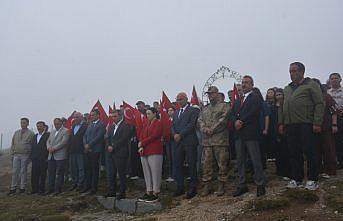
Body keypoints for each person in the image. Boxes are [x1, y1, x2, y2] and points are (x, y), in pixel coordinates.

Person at [278, 62, 324, 190]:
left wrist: (317, 122)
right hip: (290, 125)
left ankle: (312, 179)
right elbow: (282, 107)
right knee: (293, 152)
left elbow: (320, 104)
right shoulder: (287, 88)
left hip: (306, 124)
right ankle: (296, 178)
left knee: (310, 152)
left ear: (302, 72)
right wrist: (281, 122)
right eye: (290, 71)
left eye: (294, 71)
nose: (292, 74)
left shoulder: (311, 85)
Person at [231, 76, 266, 197]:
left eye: (246, 83)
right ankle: (242, 185)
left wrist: (242, 121)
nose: (244, 85)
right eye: (242, 83)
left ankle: (260, 184)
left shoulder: (255, 98)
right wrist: (235, 121)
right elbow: (232, 114)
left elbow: (254, 112)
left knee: (255, 159)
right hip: (239, 134)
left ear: (252, 84)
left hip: (250, 133)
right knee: (240, 160)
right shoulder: (237, 101)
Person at [198, 86, 230, 197]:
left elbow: (224, 120)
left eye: (212, 93)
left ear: (217, 93)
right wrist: (205, 129)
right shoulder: (205, 109)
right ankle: (207, 185)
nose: (210, 95)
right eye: (209, 94)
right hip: (207, 141)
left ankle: (221, 185)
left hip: (219, 140)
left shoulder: (224, 106)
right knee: (206, 164)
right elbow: (200, 121)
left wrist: (213, 129)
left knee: (222, 163)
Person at [172, 93, 199, 199]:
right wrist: (174, 134)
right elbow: (172, 125)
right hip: (178, 142)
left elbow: (191, 124)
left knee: (191, 164)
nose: (179, 101)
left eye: (181, 99)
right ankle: (180, 186)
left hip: (189, 141)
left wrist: (180, 134)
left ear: (186, 99)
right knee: (178, 164)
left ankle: (193, 187)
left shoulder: (193, 110)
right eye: (177, 99)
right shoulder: (176, 112)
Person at [312, 79, 338, 178]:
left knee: (329, 149)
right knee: (315, 150)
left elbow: (334, 112)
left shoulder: (327, 97)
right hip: (313, 128)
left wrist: (334, 125)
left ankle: (330, 170)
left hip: (326, 127)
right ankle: (318, 169)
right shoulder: (309, 98)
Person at [138, 108, 164, 203]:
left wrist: (142, 143)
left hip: (155, 150)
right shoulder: (146, 124)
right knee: (147, 172)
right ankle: (149, 190)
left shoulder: (158, 123)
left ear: (154, 113)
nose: (147, 115)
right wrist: (141, 143)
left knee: (155, 172)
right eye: (146, 114)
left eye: (149, 113)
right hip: (145, 151)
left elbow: (154, 135)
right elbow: (141, 135)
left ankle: (155, 192)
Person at [105, 110, 132, 199]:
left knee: (121, 173)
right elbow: (108, 137)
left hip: (120, 153)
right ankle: (111, 191)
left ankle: (122, 192)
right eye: (112, 116)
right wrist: (109, 145)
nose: (113, 118)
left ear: (120, 116)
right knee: (111, 173)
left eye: (115, 116)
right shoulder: (111, 127)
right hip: (111, 153)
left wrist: (114, 146)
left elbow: (124, 138)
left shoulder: (126, 125)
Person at [82, 109, 106, 195]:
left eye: (93, 115)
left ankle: (93, 187)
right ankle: (87, 186)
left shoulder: (101, 124)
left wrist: (90, 145)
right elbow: (84, 136)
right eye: (90, 115)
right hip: (87, 150)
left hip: (95, 150)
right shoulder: (90, 124)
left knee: (94, 169)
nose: (91, 117)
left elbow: (99, 137)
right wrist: (85, 144)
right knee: (87, 169)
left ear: (98, 115)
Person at [8, 118, 35, 195]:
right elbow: (13, 143)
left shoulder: (31, 133)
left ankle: (22, 188)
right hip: (16, 154)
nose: (22, 124)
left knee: (23, 172)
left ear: (27, 124)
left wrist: (30, 156)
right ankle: (13, 188)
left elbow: (32, 145)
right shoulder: (16, 132)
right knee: (15, 172)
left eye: (24, 123)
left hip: (25, 155)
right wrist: (12, 153)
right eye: (21, 123)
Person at [47, 118, 70, 195]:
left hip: (60, 155)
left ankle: (58, 189)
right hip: (51, 155)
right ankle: (50, 188)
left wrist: (54, 148)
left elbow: (64, 142)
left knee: (59, 173)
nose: (56, 125)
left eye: (57, 123)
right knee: (51, 173)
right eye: (55, 123)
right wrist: (49, 147)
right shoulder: (52, 131)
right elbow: (48, 141)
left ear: (61, 123)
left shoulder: (65, 131)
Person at [68, 112, 88, 191]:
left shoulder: (85, 126)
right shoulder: (73, 126)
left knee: (81, 168)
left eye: (76, 117)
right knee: (73, 168)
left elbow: (85, 137)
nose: (75, 119)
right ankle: (74, 183)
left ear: (81, 117)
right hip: (72, 151)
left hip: (81, 150)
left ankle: (81, 183)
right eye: (74, 117)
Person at [327, 73, 343, 169]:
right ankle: (339, 161)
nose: (334, 80)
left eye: (335, 78)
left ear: (340, 79)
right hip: (333, 119)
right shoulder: (328, 92)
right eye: (332, 78)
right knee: (336, 140)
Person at [274, 88, 290, 179]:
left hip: (285, 128)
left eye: (280, 94)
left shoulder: (286, 104)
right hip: (275, 130)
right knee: (278, 152)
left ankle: (287, 171)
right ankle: (279, 170)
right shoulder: (273, 106)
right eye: (277, 95)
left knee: (286, 151)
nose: (278, 96)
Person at [31, 121, 50, 195]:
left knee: (42, 175)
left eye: (40, 126)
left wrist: (46, 157)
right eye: (38, 126)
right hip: (35, 159)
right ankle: (34, 189)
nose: (39, 128)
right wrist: (32, 156)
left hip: (43, 159)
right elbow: (33, 147)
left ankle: (41, 190)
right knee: (34, 175)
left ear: (44, 127)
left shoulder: (47, 135)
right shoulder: (35, 136)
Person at [166, 106, 176, 182]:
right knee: (169, 158)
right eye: (168, 110)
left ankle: (174, 174)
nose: (170, 112)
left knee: (174, 157)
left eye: (171, 110)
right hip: (167, 141)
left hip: (174, 141)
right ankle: (170, 174)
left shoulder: (176, 119)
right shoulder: (165, 120)